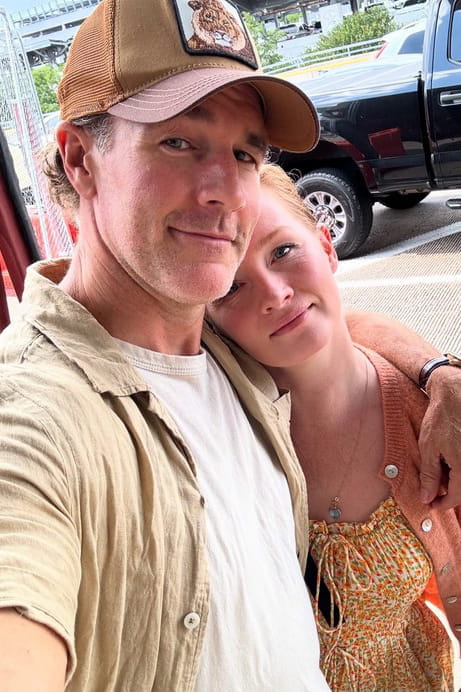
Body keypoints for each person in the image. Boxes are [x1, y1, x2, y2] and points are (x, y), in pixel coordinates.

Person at [0, 0, 459, 689]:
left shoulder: (225, 353)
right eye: (178, 142)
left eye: (245, 153)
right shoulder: (36, 417)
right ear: (80, 159)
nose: (224, 191)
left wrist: (439, 372)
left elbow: (330, 327)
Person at [207, 163, 461, 691]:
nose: (274, 293)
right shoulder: (218, 426)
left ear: (326, 247)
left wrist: (440, 374)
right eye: (231, 285)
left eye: (283, 250)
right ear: (207, 319)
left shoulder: (434, 419)